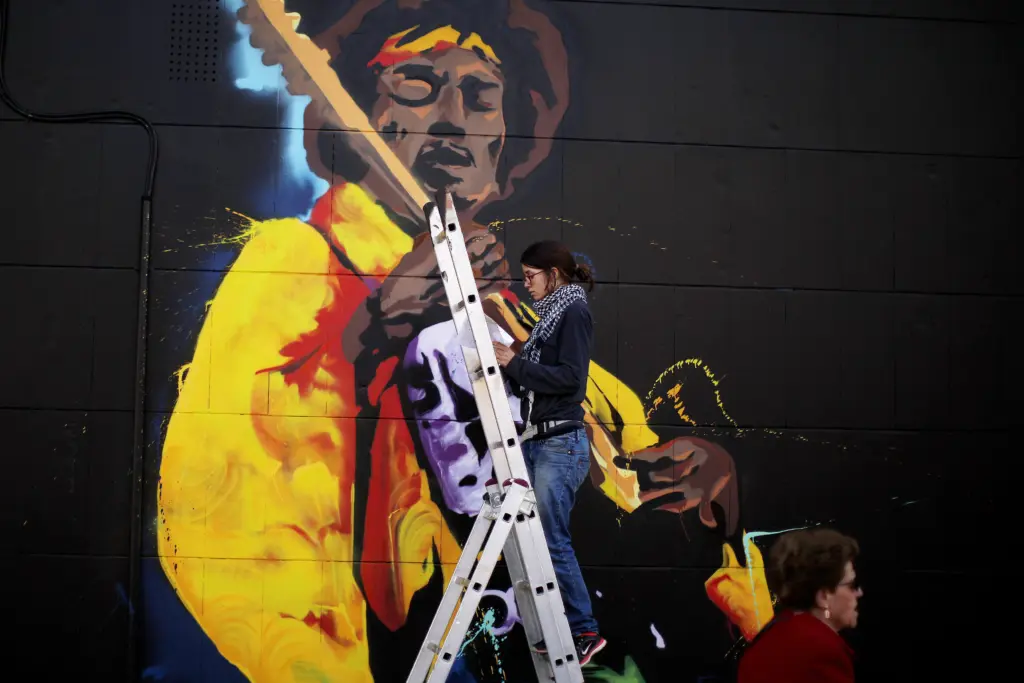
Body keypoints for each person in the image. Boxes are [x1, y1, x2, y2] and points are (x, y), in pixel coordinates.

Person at [491, 240, 606, 666]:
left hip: (560, 443)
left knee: (553, 540)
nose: (526, 286)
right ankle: (566, 631)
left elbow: (571, 379)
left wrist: (513, 363)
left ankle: (584, 631)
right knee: (541, 539)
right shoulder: (552, 317)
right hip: (543, 441)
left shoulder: (572, 313)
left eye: (531, 276)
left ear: (553, 275)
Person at [737, 528, 863, 683]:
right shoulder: (822, 651)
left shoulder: (764, 643)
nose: (859, 593)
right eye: (852, 585)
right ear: (823, 597)